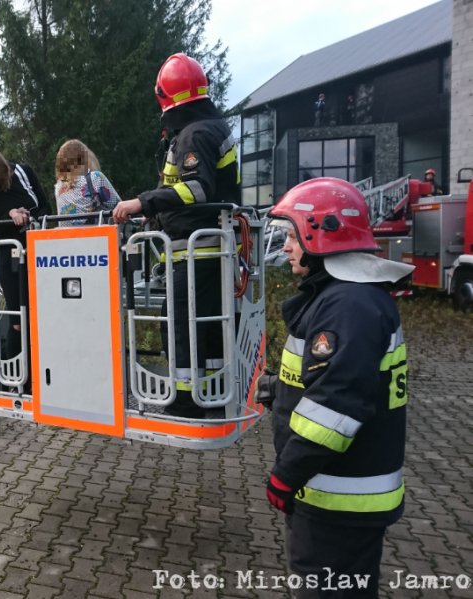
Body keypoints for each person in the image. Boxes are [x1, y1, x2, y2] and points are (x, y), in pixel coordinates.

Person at [261, 177, 413, 598]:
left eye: (292, 236)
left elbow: (336, 407)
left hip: (339, 502)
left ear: (321, 234)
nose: (287, 247)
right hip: (336, 496)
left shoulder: (348, 305)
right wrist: (279, 388)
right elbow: (337, 378)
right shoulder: (345, 297)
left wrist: (285, 476)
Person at [112, 53, 240, 418]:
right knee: (210, 326)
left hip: (196, 252)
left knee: (182, 325)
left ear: (167, 98)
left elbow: (197, 190)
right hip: (209, 249)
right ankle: (213, 391)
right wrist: (155, 215)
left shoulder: (195, 134)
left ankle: (185, 400)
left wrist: (142, 203)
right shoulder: (207, 128)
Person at [0, 141, 50, 362]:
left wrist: (30, 218)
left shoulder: (23, 172)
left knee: (42, 314)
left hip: (38, 253)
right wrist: (11, 216)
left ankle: (40, 371)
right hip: (10, 258)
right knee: (18, 319)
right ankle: (13, 375)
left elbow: (45, 207)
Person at [54, 139, 121, 226]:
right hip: (96, 237)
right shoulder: (95, 178)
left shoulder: (58, 187)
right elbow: (119, 206)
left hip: (69, 238)